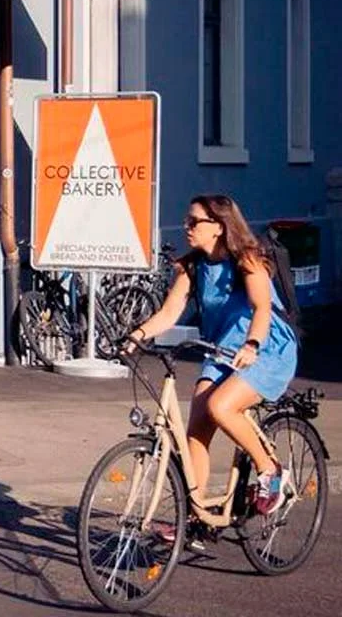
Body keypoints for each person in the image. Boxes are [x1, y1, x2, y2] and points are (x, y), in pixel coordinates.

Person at [125, 194, 299, 518]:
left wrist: (252, 346)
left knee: (221, 406)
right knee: (198, 425)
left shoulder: (246, 259)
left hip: (267, 348)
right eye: (187, 220)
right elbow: (168, 313)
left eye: (194, 222)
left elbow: (262, 308)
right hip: (221, 351)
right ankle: (196, 514)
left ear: (218, 227)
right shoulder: (193, 266)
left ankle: (270, 471)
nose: (186, 227)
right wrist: (136, 335)